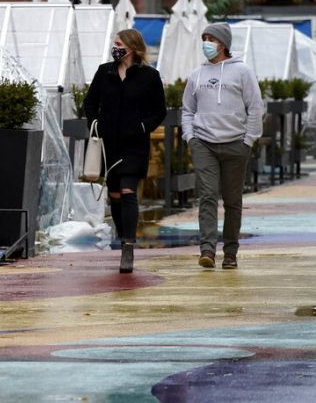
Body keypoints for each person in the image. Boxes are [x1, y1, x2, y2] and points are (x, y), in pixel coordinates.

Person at [181, 22, 264, 270]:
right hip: (204, 144)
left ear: (223, 44)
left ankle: (230, 252)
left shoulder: (243, 72)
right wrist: (190, 138)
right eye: (204, 37)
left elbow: (256, 107)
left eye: (211, 38)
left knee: (232, 200)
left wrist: (248, 139)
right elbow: (187, 110)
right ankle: (207, 249)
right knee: (207, 196)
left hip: (236, 144)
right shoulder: (196, 75)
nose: (206, 43)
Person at [84, 29, 167, 273]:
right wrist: (94, 123)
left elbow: (159, 110)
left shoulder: (149, 76)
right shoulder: (104, 71)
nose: (115, 47)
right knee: (116, 196)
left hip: (134, 144)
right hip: (109, 144)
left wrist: (143, 127)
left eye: (119, 43)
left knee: (128, 190)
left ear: (131, 47)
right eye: (114, 43)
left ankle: (128, 247)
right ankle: (123, 236)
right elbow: (90, 102)